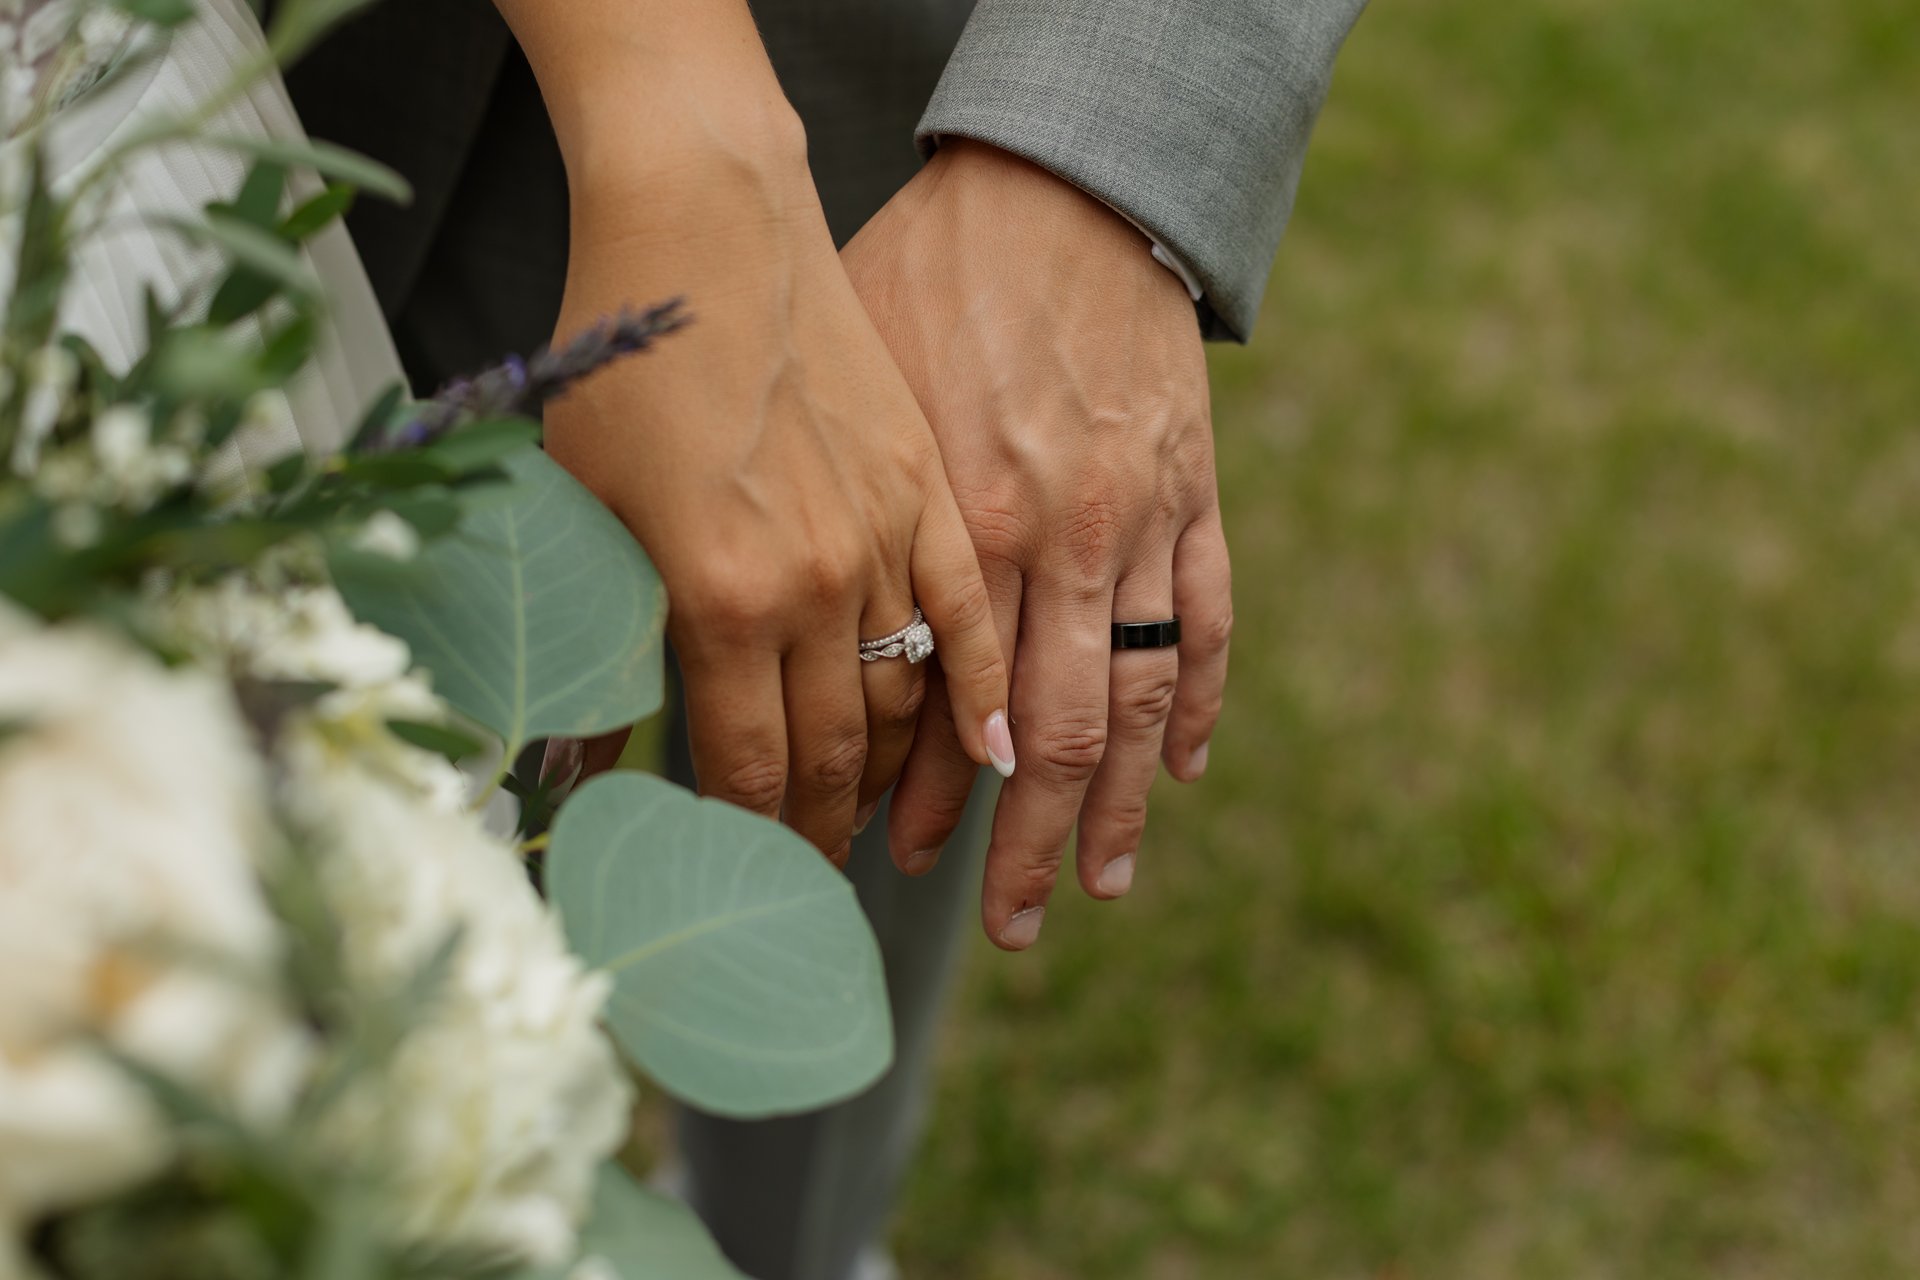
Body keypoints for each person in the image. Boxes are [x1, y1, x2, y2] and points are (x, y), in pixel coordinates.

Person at [278, 2, 1367, 1277]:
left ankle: (798, 1240)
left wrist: (1090, 157)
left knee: (891, 705)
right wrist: (678, 129)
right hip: (296, 74)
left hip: (916, 66)